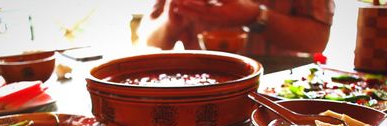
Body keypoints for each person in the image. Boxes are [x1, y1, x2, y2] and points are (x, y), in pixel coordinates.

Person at [139, 0, 335, 56]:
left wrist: (255, 16)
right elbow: (149, 38)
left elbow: (317, 40)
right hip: (199, 85)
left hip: (275, 88)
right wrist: (170, 24)